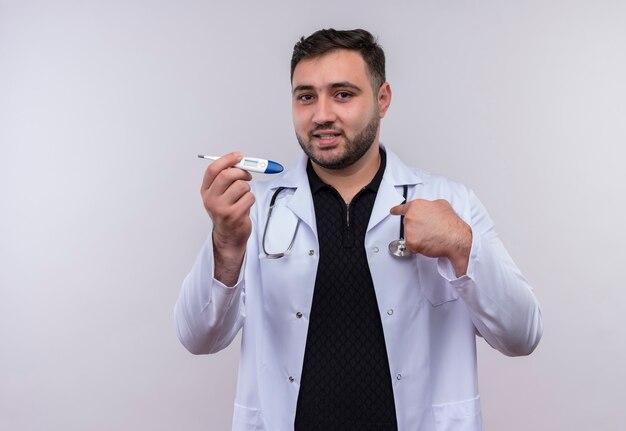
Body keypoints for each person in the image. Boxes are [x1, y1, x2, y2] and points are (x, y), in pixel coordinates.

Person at [175, 28, 543, 431]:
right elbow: (198, 337)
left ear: (382, 99)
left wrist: (460, 244)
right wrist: (226, 245)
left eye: (343, 94)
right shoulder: (257, 211)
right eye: (306, 96)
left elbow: (521, 335)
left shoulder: (449, 202)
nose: (321, 114)